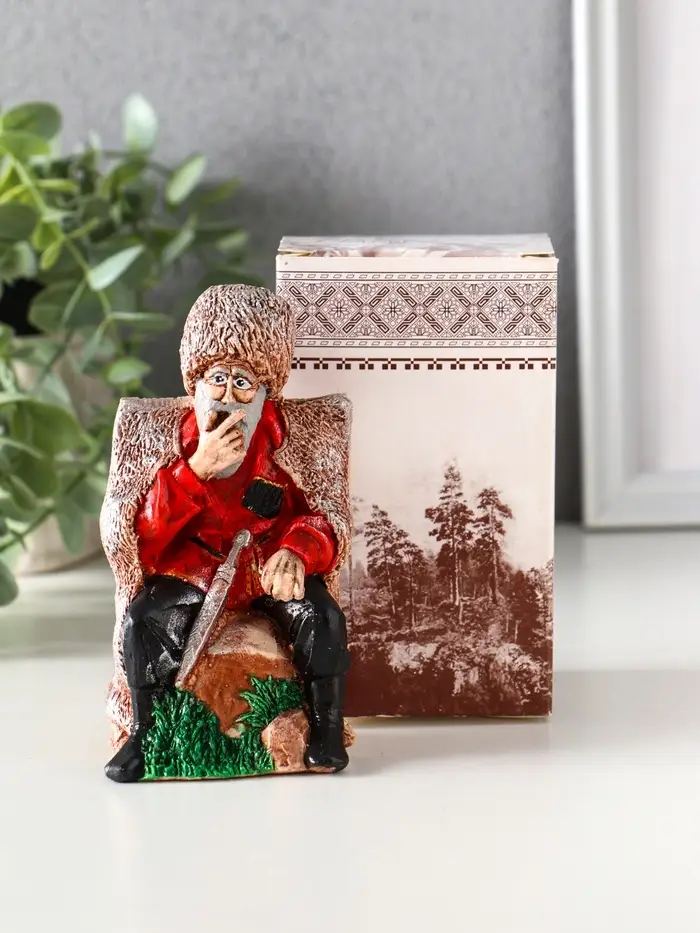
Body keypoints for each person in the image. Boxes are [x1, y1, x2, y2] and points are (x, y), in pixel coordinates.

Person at [104, 286, 350, 783]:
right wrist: (195, 472)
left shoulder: (286, 446)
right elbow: (141, 537)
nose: (228, 397)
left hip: (262, 568)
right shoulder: (168, 443)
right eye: (217, 379)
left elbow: (322, 516)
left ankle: (325, 727)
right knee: (144, 621)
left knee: (321, 616)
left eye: (243, 383)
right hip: (193, 569)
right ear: (196, 384)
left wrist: (297, 551)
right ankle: (145, 733)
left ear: (264, 394)